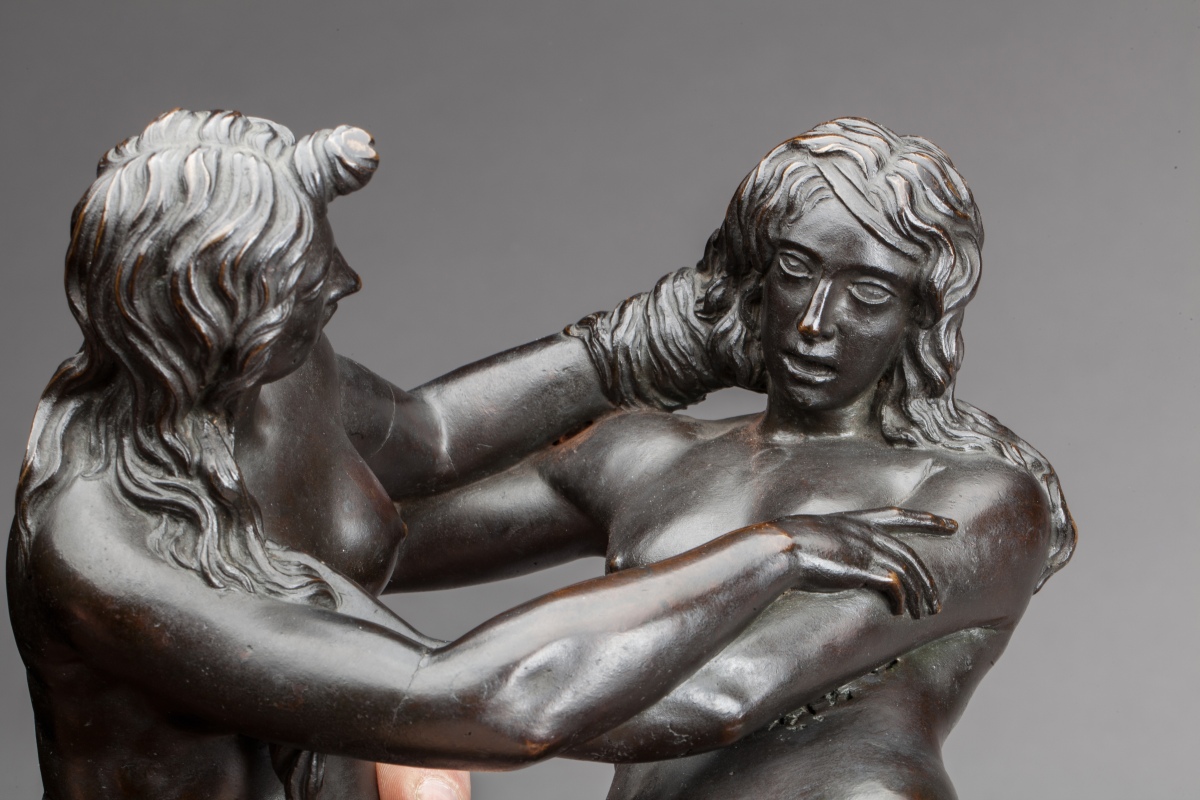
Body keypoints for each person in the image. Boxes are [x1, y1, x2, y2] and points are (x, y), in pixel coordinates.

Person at [6, 110, 952, 800]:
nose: (343, 280)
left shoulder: (268, 378)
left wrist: (665, 339)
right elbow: (473, 704)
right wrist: (771, 553)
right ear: (214, 311)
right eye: (305, 279)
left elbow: (428, 436)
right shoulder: (102, 547)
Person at [395, 117, 1077, 798]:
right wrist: (628, 347)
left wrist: (393, 708)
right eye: (796, 270)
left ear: (919, 316)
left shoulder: (973, 501)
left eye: (869, 294)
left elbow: (723, 692)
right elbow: (364, 534)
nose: (815, 321)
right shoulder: (645, 455)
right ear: (756, 273)